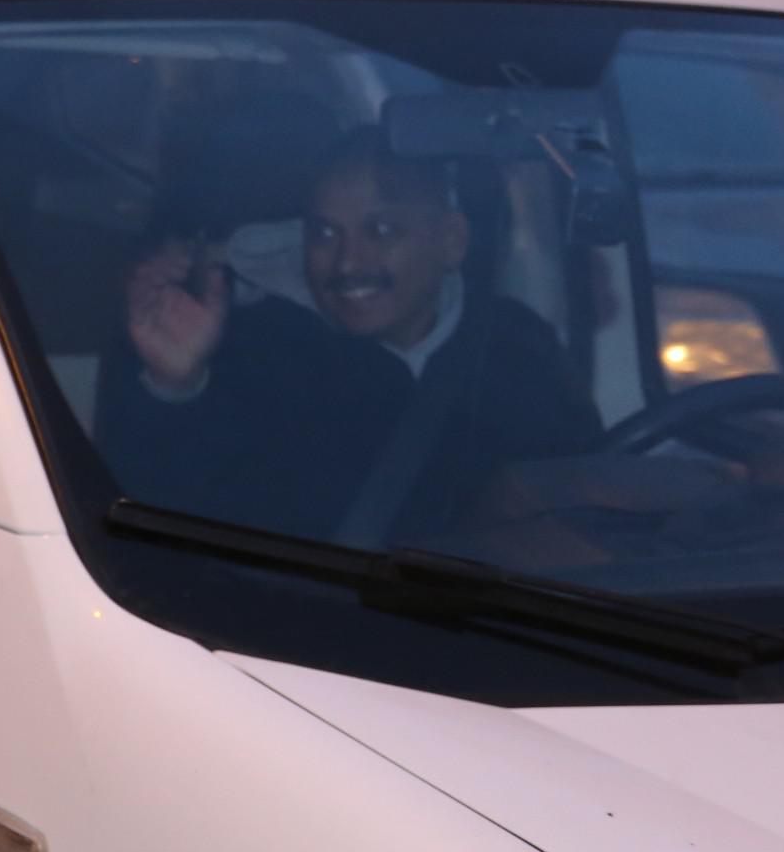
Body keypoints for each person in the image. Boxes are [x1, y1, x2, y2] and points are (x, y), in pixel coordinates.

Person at [98, 127, 601, 543]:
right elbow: (159, 522)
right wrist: (175, 387)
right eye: (324, 233)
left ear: (450, 241)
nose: (348, 263)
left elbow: (585, 495)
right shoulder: (250, 350)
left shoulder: (517, 346)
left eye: (381, 231)